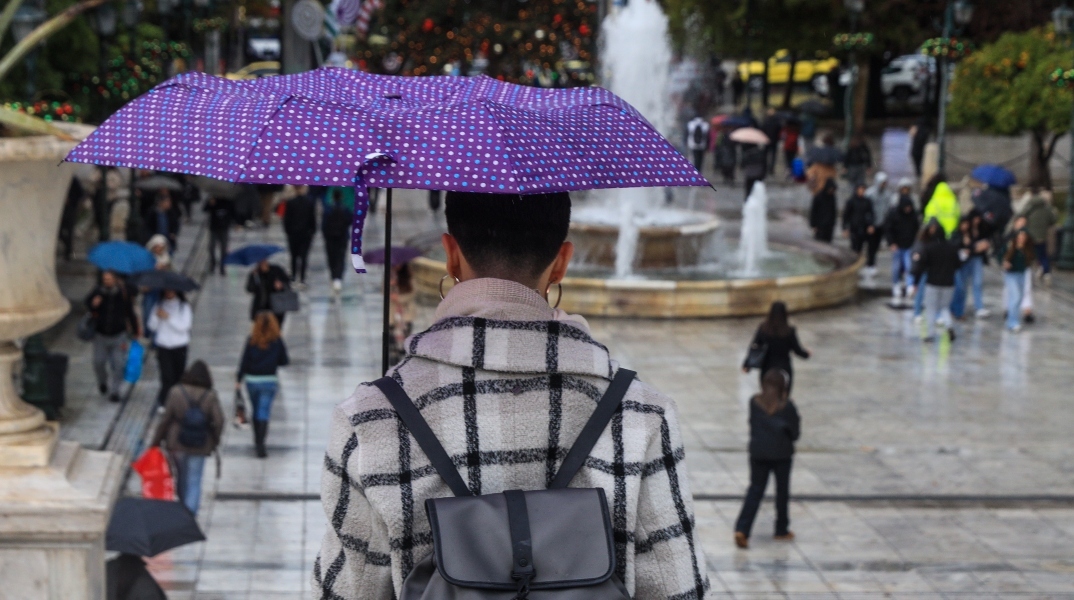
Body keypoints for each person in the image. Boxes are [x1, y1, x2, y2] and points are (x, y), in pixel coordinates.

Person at [313, 191, 710, 600]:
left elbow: (343, 592)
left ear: (451, 255)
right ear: (562, 261)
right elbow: (680, 590)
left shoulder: (370, 417)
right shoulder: (641, 413)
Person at [733, 368, 800, 549]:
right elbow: (795, 434)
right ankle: (781, 529)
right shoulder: (787, 407)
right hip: (781, 455)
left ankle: (742, 529)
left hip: (758, 453)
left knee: (755, 490)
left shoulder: (754, 403)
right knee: (782, 491)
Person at [149, 360, 223, 514]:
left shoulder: (176, 392)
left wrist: (156, 441)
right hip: (201, 443)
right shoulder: (210, 395)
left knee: (181, 477)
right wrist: (215, 439)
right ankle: (190, 515)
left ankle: (183, 510)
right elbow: (219, 420)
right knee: (194, 480)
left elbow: (165, 419)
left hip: (177, 442)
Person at [236, 312, 290, 458]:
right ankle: (261, 444)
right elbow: (285, 361)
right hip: (269, 380)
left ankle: (257, 440)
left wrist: (238, 379)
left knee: (255, 409)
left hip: (252, 381)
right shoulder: (277, 341)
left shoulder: (251, 340)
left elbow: (244, 361)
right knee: (263, 411)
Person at [85, 270, 140, 402]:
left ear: (115, 279)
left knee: (119, 364)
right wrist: (93, 305)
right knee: (98, 362)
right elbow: (87, 303)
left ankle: (115, 391)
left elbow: (130, 312)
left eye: (109, 279)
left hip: (119, 335)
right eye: (105, 279)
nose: (107, 282)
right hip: (100, 335)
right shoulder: (98, 291)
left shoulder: (123, 293)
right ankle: (102, 381)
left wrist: (136, 331)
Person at [911, 218, 962, 342]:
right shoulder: (952, 248)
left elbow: (921, 265)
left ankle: (930, 334)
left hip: (933, 283)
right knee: (944, 307)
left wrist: (915, 281)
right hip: (949, 283)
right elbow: (958, 264)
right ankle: (949, 326)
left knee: (931, 308)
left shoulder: (929, 248)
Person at [742, 301, 811, 392]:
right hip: (784, 369)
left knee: (767, 396)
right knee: (783, 396)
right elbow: (797, 350)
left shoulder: (763, 329)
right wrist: (806, 354)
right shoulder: (789, 331)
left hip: (767, 368)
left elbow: (754, 346)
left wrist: (747, 365)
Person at [147, 289, 192, 406]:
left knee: (179, 375)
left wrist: (168, 317)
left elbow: (184, 326)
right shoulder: (159, 305)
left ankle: (178, 402)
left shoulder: (184, 307)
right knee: (166, 376)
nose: (168, 293)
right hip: (163, 346)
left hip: (180, 345)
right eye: (166, 291)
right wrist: (157, 316)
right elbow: (152, 326)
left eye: (171, 291)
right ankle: (164, 402)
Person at [883, 186, 921, 306]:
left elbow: (916, 229)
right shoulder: (893, 214)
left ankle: (910, 286)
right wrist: (891, 243)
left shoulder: (913, 216)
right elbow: (888, 229)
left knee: (909, 266)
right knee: (896, 267)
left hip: (909, 245)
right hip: (897, 245)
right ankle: (896, 284)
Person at [950, 212, 991, 319]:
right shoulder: (957, 234)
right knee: (960, 287)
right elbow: (953, 246)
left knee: (967, 286)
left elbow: (972, 246)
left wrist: (974, 246)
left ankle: (960, 311)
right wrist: (966, 244)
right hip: (959, 263)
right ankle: (955, 309)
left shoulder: (977, 230)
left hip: (970, 260)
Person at [1016, 187, 1057, 280]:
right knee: (1043, 255)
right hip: (1042, 236)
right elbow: (1053, 220)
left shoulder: (1030, 207)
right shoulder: (1046, 208)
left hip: (1030, 236)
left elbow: (1021, 214)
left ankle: (1027, 273)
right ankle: (1047, 273)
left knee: (1028, 255)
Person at [862, 172, 894, 279]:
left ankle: (872, 264)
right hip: (871, 224)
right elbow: (866, 210)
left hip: (881, 224)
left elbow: (889, 208)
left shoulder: (887, 195)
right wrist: (869, 223)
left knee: (876, 245)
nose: (883, 185)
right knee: (870, 245)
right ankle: (868, 264)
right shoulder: (869, 193)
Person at [1003, 229, 1036, 332]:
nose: (1021, 239)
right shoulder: (1010, 246)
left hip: (1022, 274)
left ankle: (1012, 318)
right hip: (1011, 274)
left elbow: (1031, 259)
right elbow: (1000, 255)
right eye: (1019, 236)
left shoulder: (1027, 249)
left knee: (1019, 297)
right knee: (1016, 296)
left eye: (1023, 236)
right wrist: (1005, 262)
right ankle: (1012, 322)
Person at [283, 186, 317, 285]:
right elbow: (312, 219)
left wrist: (288, 231)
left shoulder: (291, 202)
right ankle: (302, 278)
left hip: (293, 233)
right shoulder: (310, 202)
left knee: (294, 256)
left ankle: (294, 276)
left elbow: (287, 219)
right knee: (304, 256)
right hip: (306, 233)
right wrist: (312, 231)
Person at [322, 189, 351, 292]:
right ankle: (338, 277)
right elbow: (350, 221)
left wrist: (326, 235)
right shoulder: (345, 209)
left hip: (330, 237)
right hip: (342, 237)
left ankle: (334, 275)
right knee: (341, 257)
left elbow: (324, 224)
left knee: (331, 257)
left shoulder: (328, 209)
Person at [245, 259, 291, 325]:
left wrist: (281, 285)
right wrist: (255, 279)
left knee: (275, 328)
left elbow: (287, 282)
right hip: (260, 307)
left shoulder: (276, 270)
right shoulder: (255, 274)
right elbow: (249, 289)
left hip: (276, 306)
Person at [388, 263, 415, 365]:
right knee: (392, 339)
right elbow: (383, 291)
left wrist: (398, 298)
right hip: (393, 314)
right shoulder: (389, 276)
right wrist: (390, 286)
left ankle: (403, 358)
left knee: (405, 338)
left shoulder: (408, 277)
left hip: (405, 314)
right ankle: (394, 358)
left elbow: (411, 294)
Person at [842, 184, 876, 260]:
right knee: (854, 247)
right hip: (854, 227)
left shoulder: (867, 201)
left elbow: (871, 214)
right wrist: (845, 228)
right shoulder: (851, 201)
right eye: (860, 189)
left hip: (864, 227)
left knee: (861, 246)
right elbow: (846, 216)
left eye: (863, 189)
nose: (862, 191)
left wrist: (871, 225)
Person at [204, 196, 234, 275]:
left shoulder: (229, 201)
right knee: (211, 247)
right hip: (214, 228)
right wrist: (210, 203)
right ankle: (213, 263)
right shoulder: (213, 198)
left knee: (223, 249)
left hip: (224, 229)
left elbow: (233, 212)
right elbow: (205, 209)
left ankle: (222, 266)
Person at [809, 178, 838, 243]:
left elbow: (833, 211)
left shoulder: (832, 198)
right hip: (819, 225)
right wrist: (813, 224)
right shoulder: (819, 196)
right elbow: (814, 211)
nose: (831, 191)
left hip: (829, 226)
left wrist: (833, 223)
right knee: (819, 242)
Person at [760, 107, 782, 175]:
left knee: (765, 155)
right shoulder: (777, 122)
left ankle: (765, 167)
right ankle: (771, 169)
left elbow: (762, 130)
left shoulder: (766, 121)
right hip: (774, 140)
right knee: (773, 156)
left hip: (766, 140)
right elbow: (779, 130)